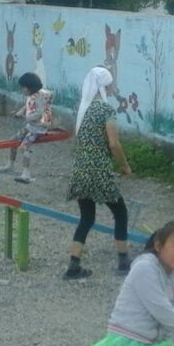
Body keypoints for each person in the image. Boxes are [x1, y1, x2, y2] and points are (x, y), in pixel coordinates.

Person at [65, 66, 132, 279]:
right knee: (120, 213)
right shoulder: (105, 110)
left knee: (86, 218)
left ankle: (73, 266)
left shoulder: (81, 107)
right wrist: (124, 165)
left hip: (80, 170)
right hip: (99, 171)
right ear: (104, 87)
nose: (113, 88)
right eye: (110, 84)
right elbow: (113, 143)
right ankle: (123, 262)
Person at [0, 72, 53, 183]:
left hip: (38, 129)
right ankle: (10, 165)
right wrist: (21, 111)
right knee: (13, 141)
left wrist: (27, 117)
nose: (21, 90)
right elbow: (27, 105)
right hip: (31, 126)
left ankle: (26, 174)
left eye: (23, 88)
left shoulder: (41, 97)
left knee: (24, 147)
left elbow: (39, 113)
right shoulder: (34, 95)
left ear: (29, 88)